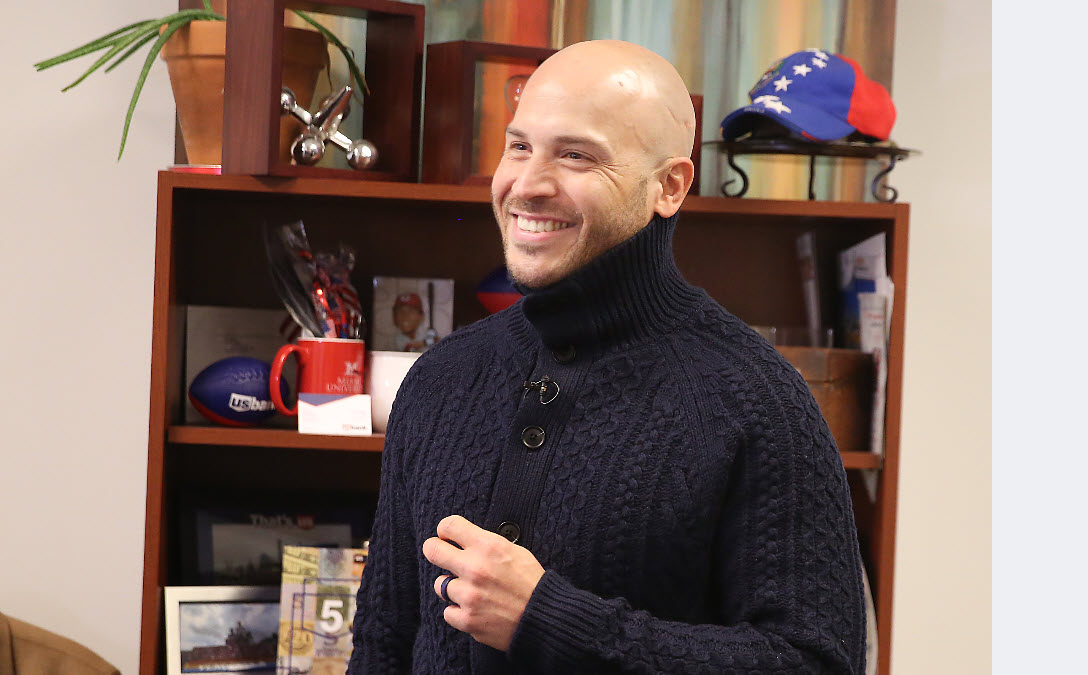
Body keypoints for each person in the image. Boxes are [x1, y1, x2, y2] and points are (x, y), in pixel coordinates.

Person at [350, 39, 866, 673]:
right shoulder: (441, 379)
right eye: (519, 147)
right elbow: (380, 644)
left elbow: (815, 662)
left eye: (576, 155)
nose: (527, 185)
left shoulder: (758, 401)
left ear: (669, 187)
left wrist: (548, 620)